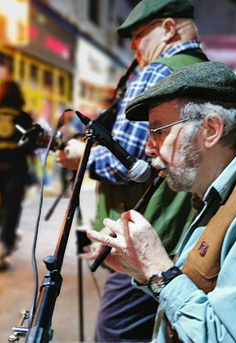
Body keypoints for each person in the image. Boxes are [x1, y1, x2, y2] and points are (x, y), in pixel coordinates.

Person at [85, 61, 236, 342]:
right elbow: (203, 301)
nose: (147, 148)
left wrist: (158, 267)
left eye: (159, 130)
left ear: (211, 129)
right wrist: (143, 270)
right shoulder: (221, 192)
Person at [56, 0, 206, 340]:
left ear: (168, 28)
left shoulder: (156, 71)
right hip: (176, 231)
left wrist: (82, 155)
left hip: (142, 234)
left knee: (115, 333)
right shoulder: (203, 71)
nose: (134, 45)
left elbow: (127, 164)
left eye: (139, 35)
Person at [0, 80, 35, 271]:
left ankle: (6, 238)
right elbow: (31, 145)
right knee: (12, 206)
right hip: (16, 166)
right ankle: (5, 243)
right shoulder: (23, 116)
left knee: (4, 204)